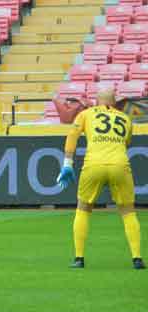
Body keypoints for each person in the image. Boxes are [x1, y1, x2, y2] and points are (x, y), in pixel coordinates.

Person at [57, 89, 144, 269]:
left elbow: (72, 135)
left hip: (93, 165)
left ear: (97, 101)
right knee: (128, 211)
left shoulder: (86, 114)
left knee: (83, 208)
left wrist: (67, 163)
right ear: (114, 103)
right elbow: (126, 143)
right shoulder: (126, 118)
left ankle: (79, 258)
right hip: (120, 164)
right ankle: (137, 258)